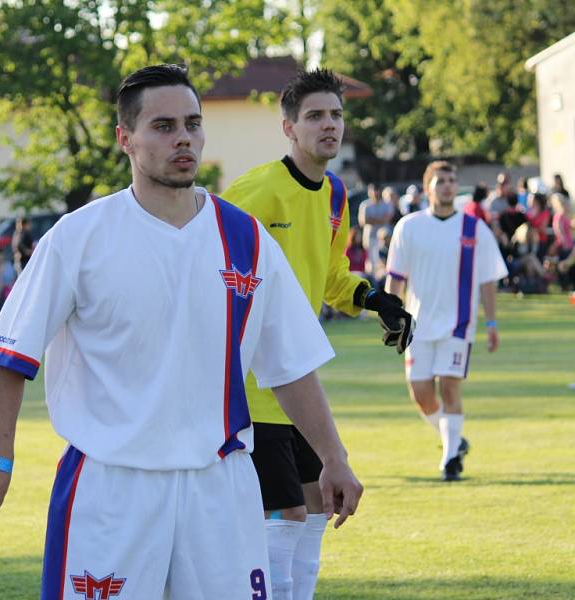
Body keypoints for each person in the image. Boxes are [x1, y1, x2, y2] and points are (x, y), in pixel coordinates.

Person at [0, 64, 363, 600]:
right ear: (126, 139)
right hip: (112, 488)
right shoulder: (79, 237)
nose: (183, 137)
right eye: (163, 126)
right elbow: (9, 356)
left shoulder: (246, 239)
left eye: (193, 123)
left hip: (219, 486)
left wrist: (333, 457)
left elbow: (290, 365)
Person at [222, 68, 412, 600]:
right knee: (282, 516)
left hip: (299, 383)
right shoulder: (253, 192)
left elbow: (331, 277)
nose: (329, 125)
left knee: (318, 508)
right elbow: (211, 273)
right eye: (314, 116)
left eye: (336, 114)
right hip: (253, 387)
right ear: (289, 127)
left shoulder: (333, 193)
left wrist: (376, 300)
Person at [386, 161, 508, 481]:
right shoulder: (408, 227)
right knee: (421, 393)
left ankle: (451, 459)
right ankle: (453, 438)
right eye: (441, 180)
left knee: (451, 389)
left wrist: (492, 323)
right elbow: (395, 278)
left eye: (452, 180)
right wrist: (390, 316)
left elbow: (488, 280)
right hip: (417, 325)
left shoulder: (474, 229)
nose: (448, 186)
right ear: (428, 187)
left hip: (458, 325)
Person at [358, 182, 394, 275]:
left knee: (384, 262)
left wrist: (372, 219)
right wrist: (380, 219)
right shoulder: (365, 205)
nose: (375, 193)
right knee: (371, 263)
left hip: (384, 239)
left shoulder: (387, 204)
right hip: (370, 238)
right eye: (372, 190)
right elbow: (363, 221)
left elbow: (387, 219)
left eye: (376, 190)